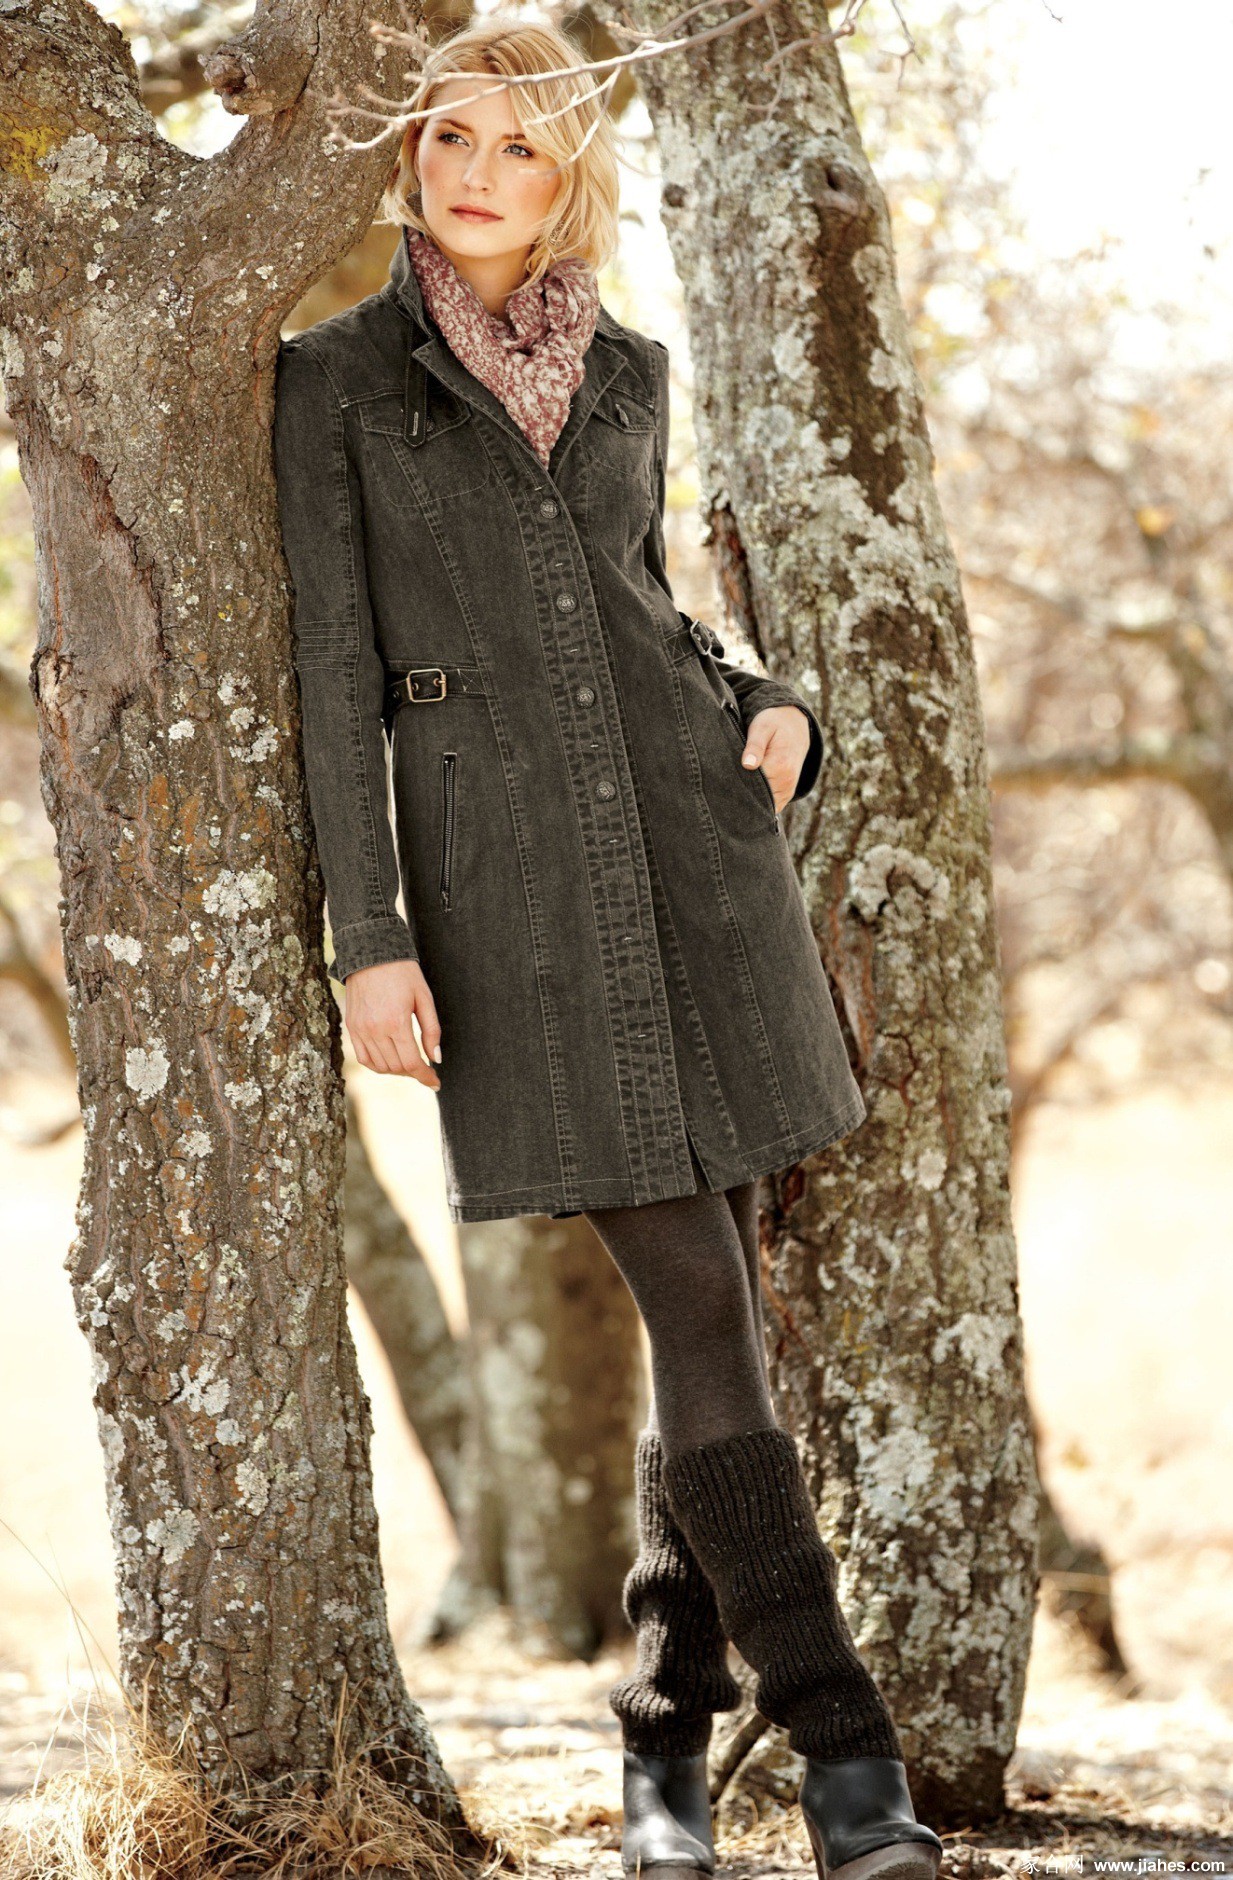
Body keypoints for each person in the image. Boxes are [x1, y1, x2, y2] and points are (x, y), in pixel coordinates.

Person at [272, 17, 945, 1880]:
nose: (475, 173)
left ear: (569, 172)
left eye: (519, 145)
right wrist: (368, 939)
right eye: (450, 137)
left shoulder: (628, 367)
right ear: (410, 152)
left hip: (697, 854)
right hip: (514, 900)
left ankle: (662, 1747)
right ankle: (847, 1757)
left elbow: (644, 604)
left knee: (705, 1302)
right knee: (705, 1301)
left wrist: (771, 695)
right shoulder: (334, 380)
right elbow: (330, 672)